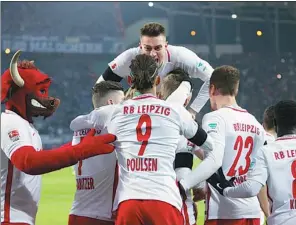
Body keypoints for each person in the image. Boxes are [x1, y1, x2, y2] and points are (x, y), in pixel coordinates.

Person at [70, 54, 214, 225]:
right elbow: (210, 146)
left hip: (129, 202)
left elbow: (78, 123)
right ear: (157, 80)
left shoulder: (116, 112)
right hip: (165, 200)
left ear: (130, 79)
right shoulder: (175, 111)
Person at [1, 50, 116, 225]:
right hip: (9, 220)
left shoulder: (25, 125)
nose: (46, 98)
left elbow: (42, 156)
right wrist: (81, 149)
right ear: (21, 94)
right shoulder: (10, 122)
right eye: (41, 91)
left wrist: (80, 144)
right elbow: (28, 162)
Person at [178, 65, 266, 225]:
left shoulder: (214, 118)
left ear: (211, 89)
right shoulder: (256, 125)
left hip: (224, 213)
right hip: (252, 211)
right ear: (236, 90)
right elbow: (242, 163)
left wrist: (182, 186)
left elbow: (215, 160)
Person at [96, 22, 214, 115]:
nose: (152, 54)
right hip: (139, 110)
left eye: (157, 48)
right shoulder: (128, 58)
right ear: (140, 47)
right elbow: (100, 88)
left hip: (173, 112)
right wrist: (107, 115)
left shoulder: (182, 57)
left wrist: (193, 111)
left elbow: (213, 77)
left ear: (166, 46)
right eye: (147, 48)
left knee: (181, 82)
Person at [215, 100, 296, 225]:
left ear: (275, 123)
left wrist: (226, 190)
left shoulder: (266, 151)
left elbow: (251, 189)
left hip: (282, 220)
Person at [68, 81, 125, 225]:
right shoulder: (111, 125)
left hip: (77, 213)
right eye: (123, 101)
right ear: (111, 103)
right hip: (102, 216)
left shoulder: (79, 127)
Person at [160, 69, 205, 225]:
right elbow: (209, 157)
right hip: (179, 210)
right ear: (186, 98)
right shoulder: (190, 128)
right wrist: (199, 185)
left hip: (149, 203)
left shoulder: (147, 122)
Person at [257, 105, 276, 224]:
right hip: (263, 204)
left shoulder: (253, 137)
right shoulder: (275, 145)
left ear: (263, 123)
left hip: (244, 202)